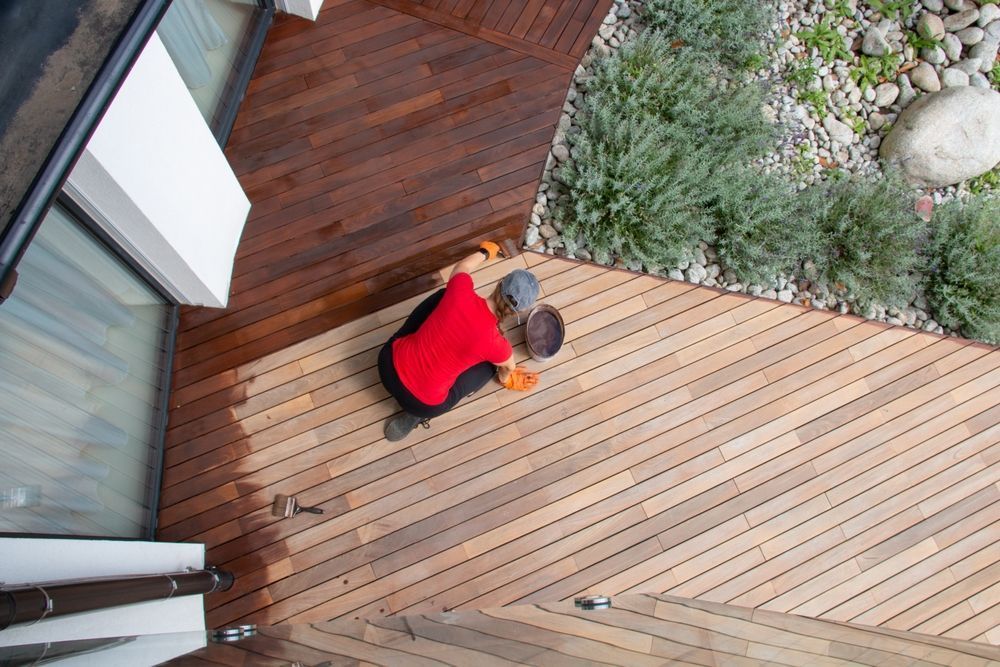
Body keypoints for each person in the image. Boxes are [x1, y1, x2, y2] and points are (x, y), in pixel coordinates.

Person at [378, 241, 541, 442]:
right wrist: (508, 380)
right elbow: (507, 369)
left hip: (387, 367)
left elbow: (462, 267)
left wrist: (485, 252)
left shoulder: (459, 290)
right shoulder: (499, 347)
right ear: (519, 312)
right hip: (421, 403)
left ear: (500, 283)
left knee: (443, 296)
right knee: (490, 367)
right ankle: (415, 415)